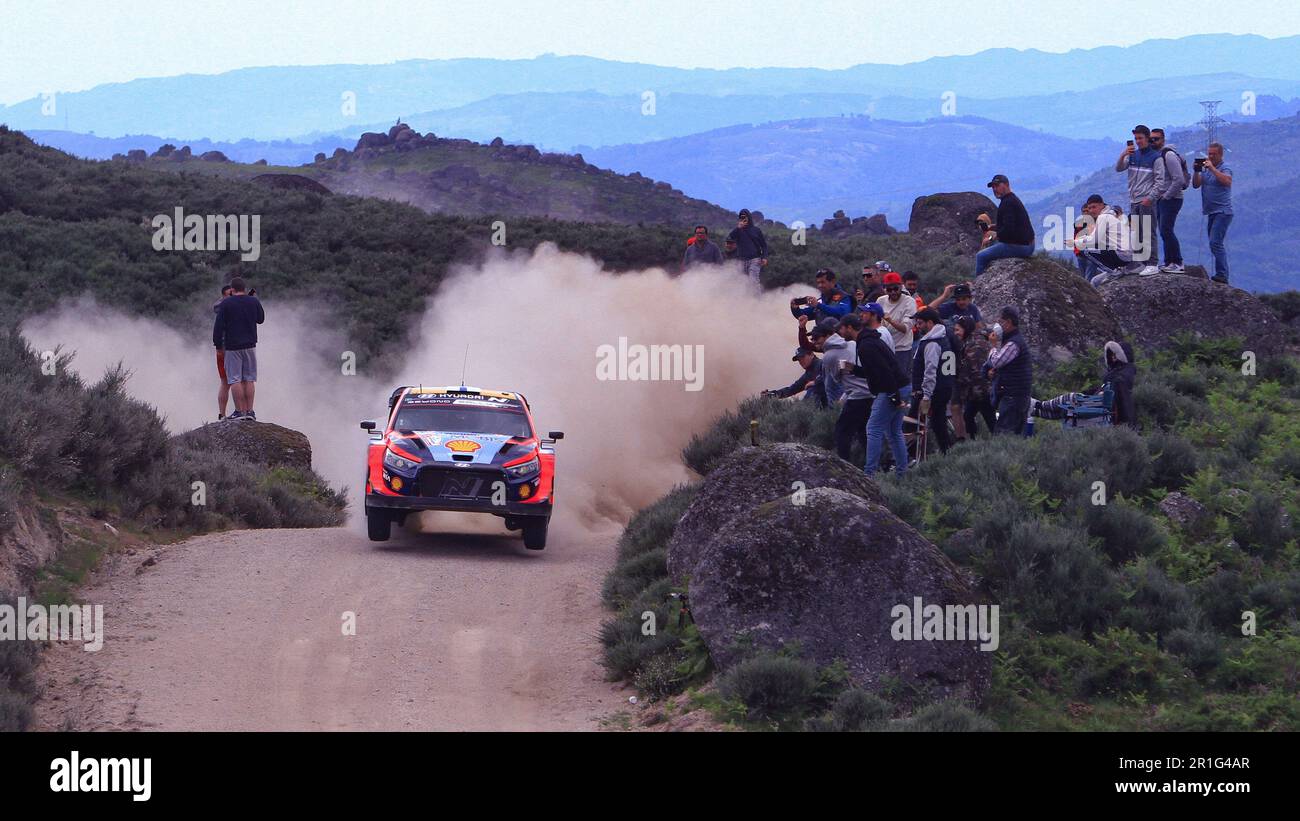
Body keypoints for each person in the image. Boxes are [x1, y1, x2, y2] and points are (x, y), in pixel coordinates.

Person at [838, 313, 910, 476]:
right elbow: (875, 371)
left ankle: (870, 474)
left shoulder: (866, 346)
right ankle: (902, 473)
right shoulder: (869, 341)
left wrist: (894, 396)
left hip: (891, 388)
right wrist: (853, 368)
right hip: (901, 386)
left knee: (873, 428)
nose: (840, 333)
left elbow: (884, 372)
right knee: (894, 431)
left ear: (849, 328)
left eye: (841, 329)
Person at [1032, 341, 1137, 429]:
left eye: (1115, 354)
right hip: (1099, 403)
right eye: (1111, 354)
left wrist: (1103, 393)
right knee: (1065, 409)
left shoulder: (1123, 374)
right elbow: (1105, 387)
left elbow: (1119, 392)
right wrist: (1087, 393)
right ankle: (1034, 411)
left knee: (1071, 398)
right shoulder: (1118, 371)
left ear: (1121, 356)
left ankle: (1039, 405)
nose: (1112, 357)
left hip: (1103, 407)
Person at [818, 319, 873, 461]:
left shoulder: (828, 356)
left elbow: (836, 378)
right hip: (870, 393)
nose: (815, 342)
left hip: (857, 396)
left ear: (827, 336)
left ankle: (845, 466)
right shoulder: (852, 343)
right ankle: (873, 465)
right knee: (863, 431)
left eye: (817, 338)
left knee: (842, 432)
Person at [212, 276, 265, 421]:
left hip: (232, 346)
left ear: (233, 290)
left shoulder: (227, 304)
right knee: (249, 379)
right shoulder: (253, 301)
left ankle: (239, 412)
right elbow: (261, 319)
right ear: (244, 289)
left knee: (234, 379)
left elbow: (219, 326)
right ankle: (250, 411)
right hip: (250, 345)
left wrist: (217, 345)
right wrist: (256, 300)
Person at [909, 308, 955, 455]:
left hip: (932, 390)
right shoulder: (943, 338)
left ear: (930, 322)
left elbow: (930, 370)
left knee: (911, 423)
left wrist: (926, 395)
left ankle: (909, 457)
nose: (918, 326)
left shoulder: (932, 343)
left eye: (921, 323)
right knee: (938, 422)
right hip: (944, 387)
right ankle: (946, 452)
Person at [1114, 125, 1159, 274]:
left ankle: (1152, 263)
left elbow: (1161, 181)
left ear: (1147, 138)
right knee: (1138, 232)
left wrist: (1150, 198)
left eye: (1140, 138)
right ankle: (1141, 262)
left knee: (1148, 232)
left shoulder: (1155, 157)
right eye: (1136, 138)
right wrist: (1123, 154)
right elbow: (1119, 168)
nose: (1138, 141)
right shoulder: (1133, 155)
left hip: (1146, 200)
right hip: (1134, 199)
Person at [974, 174, 1035, 276]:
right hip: (1026, 244)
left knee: (981, 256)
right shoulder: (1010, 200)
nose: (994, 189)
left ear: (1006, 185)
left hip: (1022, 247)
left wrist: (990, 238)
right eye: (993, 187)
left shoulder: (1008, 203)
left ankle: (978, 288)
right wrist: (991, 227)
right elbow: (1010, 225)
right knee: (993, 246)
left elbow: (1008, 230)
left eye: (997, 186)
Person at [985, 306, 1032, 435]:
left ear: (1009, 322)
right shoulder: (1013, 340)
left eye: (1001, 321)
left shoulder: (1013, 343)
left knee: (1004, 435)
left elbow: (996, 361)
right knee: (1015, 435)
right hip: (1018, 396)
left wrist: (993, 345)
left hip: (1013, 397)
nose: (999, 325)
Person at [1073, 194, 1139, 285]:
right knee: (1094, 281)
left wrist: (1076, 241)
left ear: (1101, 205)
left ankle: (1114, 272)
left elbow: (1094, 239)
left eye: (1094, 207)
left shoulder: (1103, 217)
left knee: (1086, 251)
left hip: (1122, 255)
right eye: (1089, 208)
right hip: (1124, 255)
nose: (1091, 210)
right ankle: (1114, 271)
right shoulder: (1107, 215)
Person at [1193, 142, 1233, 284]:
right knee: (1213, 243)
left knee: (1216, 242)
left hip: (1223, 211)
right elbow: (1196, 184)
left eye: (1213, 154)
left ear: (1220, 154)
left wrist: (1213, 169)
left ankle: (1222, 274)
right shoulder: (1206, 170)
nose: (1210, 156)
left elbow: (1227, 181)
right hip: (1211, 212)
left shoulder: (1225, 168)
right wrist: (1197, 171)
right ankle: (1221, 273)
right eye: (1209, 154)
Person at [1150, 128, 1189, 274]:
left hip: (1172, 198)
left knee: (1166, 229)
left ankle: (1177, 262)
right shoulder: (1157, 156)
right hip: (1162, 199)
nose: (1153, 142)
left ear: (1163, 139)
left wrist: (1166, 196)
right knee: (1164, 230)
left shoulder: (1169, 155)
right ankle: (1169, 262)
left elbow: (1178, 179)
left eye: (1156, 139)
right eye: (1151, 139)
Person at [953, 316, 996, 438]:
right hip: (976, 391)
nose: (956, 333)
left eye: (958, 330)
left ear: (966, 329)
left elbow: (977, 372)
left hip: (982, 391)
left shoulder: (975, 345)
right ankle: (974, 443)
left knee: (990, 419)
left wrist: (960, 381)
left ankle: (1003, 444)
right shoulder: (970, 341)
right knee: (968, 416)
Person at [879, 272, 916, 376]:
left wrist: (890, 320)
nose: (893, 292)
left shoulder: (909, 302)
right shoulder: (881, 301)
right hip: (884, 348)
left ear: (901, 287)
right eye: (889, 290)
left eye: (896, 288)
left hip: (901, 350)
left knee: (902, 382)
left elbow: (905, 328)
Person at [727, 208, 768, 286]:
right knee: (742, 282)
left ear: (749, 217)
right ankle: (745, 297)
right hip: (742, 259)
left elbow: (763, 245)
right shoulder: (738, 230)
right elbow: (730, 237)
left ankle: (756, 298)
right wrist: (738, 228)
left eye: (745, 216)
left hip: (755, 259)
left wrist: (764, 257)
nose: (743, 218)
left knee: (753, 280)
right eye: (741, 217)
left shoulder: (756, 230)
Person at [213, 283, 234, 420]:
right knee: (234, 381)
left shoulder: (220, 309)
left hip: (223, 348)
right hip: (229, 348)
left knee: (226, 383)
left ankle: (223, 414)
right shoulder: (226, 310)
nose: (232, 297)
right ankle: (241, 412)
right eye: (229, 295)